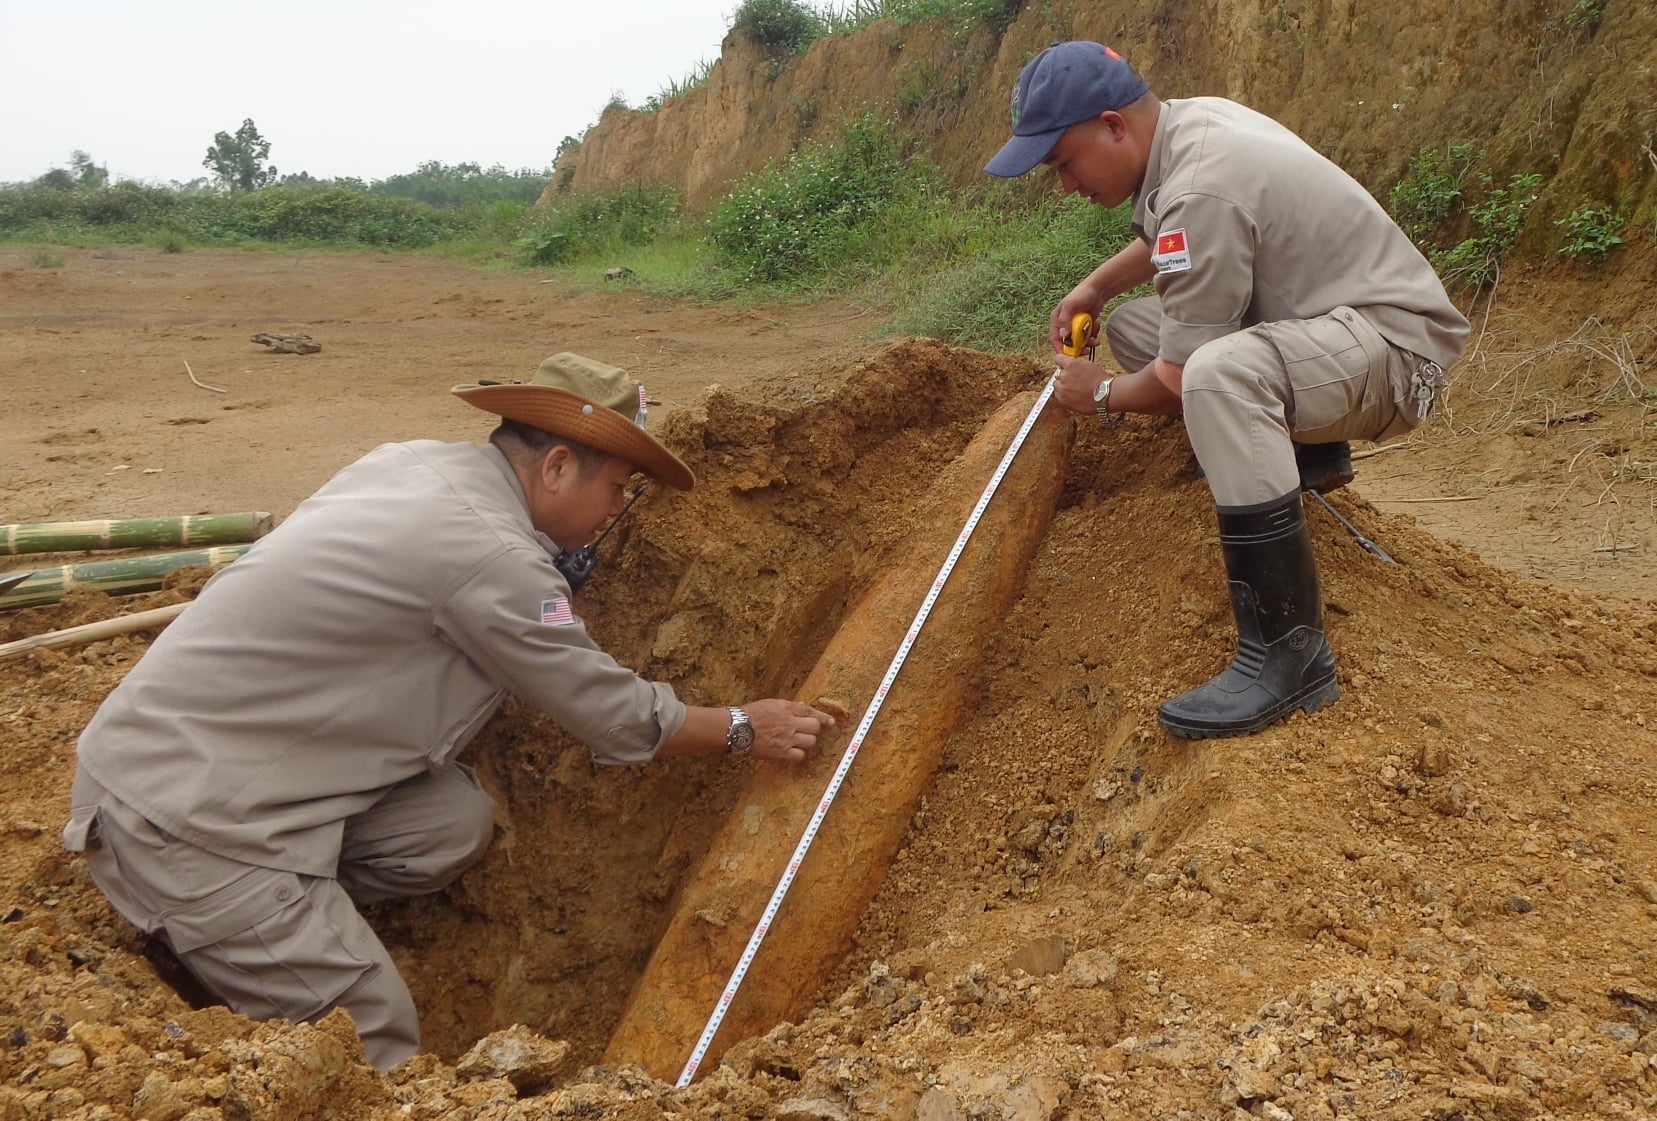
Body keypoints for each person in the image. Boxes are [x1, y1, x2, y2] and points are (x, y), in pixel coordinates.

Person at [61, 352, 836, 1070]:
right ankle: (229, 926)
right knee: (373, 1034)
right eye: (618, 488)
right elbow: (613, 714)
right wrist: (743, 726)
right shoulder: (493, 554)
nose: (618, 509)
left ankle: (251, 931)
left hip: (186, 759)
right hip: (184, 815)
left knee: (449, 824)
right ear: (559, 465)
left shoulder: (412, 462)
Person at [984, 41, 1469, 739]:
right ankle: (1304, 454)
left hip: (1398, 352)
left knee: (1211, 372)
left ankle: (1287, 653)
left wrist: (1097, 396)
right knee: (1142, 325)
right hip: (1338, 324)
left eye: (1062, 161)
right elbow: (1175, 237)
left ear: (1113, 125)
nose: (1064, 184)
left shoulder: (1198, 184)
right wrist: (1094, 286)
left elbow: (1181, 368)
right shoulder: (1190, 126)